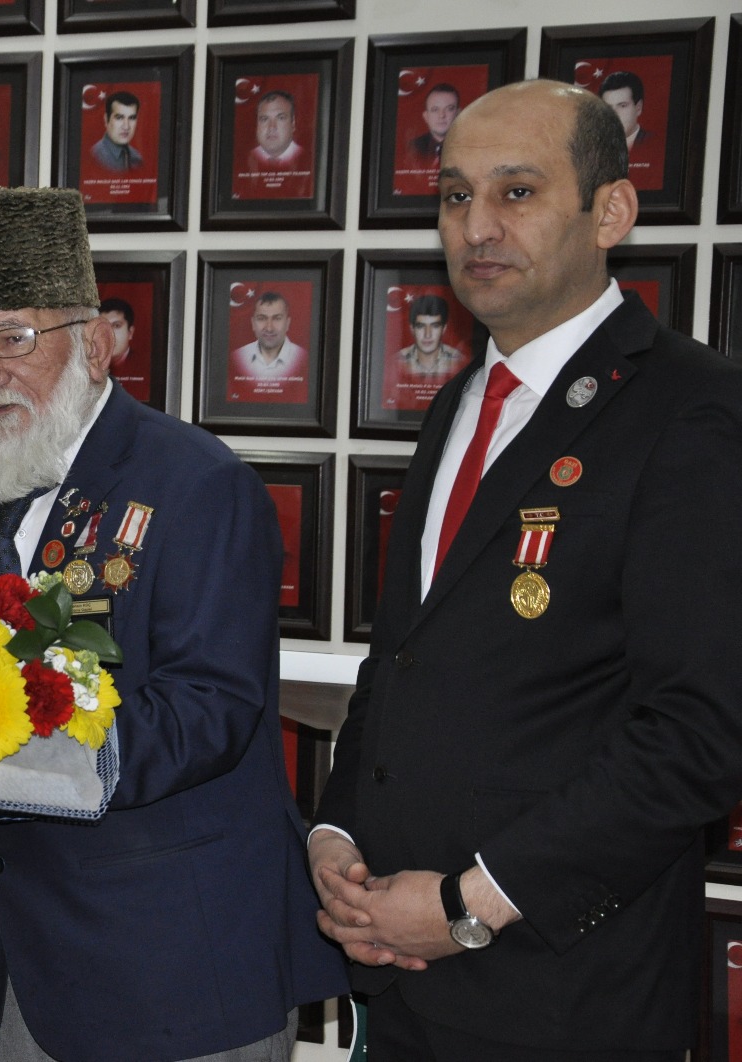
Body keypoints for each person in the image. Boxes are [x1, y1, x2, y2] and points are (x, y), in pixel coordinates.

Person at [309, 79, 742, 1061]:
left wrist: (470, 904)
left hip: (564, 994)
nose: (477, 227)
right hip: (403, 970)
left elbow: (698, 732)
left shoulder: (693, 410)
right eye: (455, 196)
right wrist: (337, 837)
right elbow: (403, 659)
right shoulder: (460, 404)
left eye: (516, 192)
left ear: (610, 213)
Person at [0, 185, 345, 1062]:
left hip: (171, 972)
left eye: (13, 338)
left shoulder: (199, 484)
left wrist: (1, 754)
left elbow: (209, 711)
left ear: (96, 343)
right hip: (17, 971)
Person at [231, 290, 309, 377]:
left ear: (287, 323)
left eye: (277, 318)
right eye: (262, 318)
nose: (269, 328)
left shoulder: (304, 359)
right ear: (253, 323)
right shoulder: (236, 358)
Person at [395, 293, 465, 378]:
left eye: (435, 326)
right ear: (412, 329)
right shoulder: (397, 360)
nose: (427, 335)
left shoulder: (459, 360)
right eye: (421, 326)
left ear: (444, 329)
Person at [246, 90, 305, 174]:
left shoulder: (307, 158)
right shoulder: (244, 159)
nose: (272, 127)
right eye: (264, 119)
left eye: (281, 118)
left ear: (293, 124)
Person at [405, 83, 459, 166]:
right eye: (435, 109)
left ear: (458, 114)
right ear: (426, 117)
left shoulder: (471, 146)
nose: (442, 115)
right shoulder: (413, 148)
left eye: (449, 109)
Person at [599, 70, 653, 152]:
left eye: (622, 106)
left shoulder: (654, 142)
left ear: (638, 108)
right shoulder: (594, 146)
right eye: (608, 107)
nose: (614, 115)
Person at [88, 91, 142, 172]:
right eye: (119, 118)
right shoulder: (94, 156)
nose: (126, 126)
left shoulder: (137, 158)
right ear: (106, 120)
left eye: (131, 118)